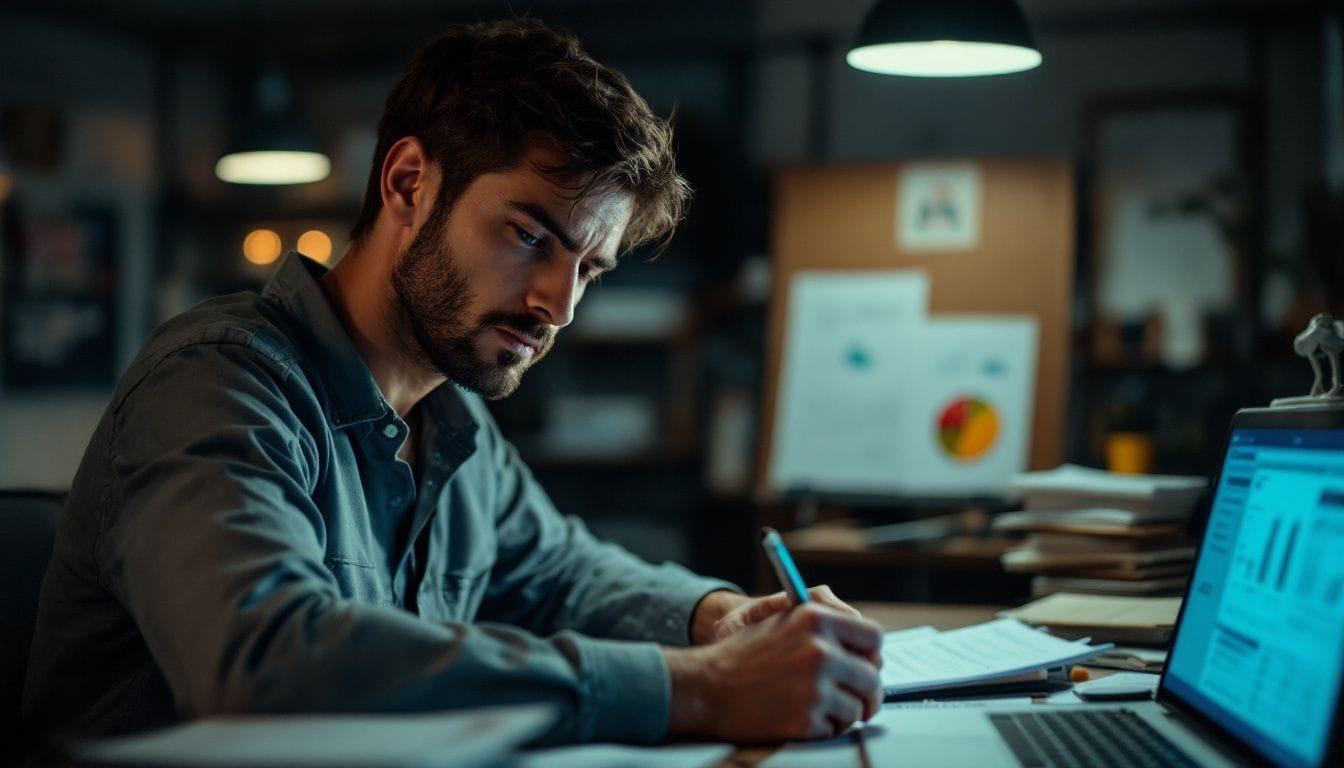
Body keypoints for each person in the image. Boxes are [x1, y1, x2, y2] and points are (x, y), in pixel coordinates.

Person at [24, 18, 884, 747]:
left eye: (589, 268)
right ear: (408, 183)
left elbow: (564, 574)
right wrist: (695, 688)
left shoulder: (452, 420)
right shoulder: (218, 383)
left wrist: (717, 618)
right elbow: (263, 661)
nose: (559, 305)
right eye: (530, 236)